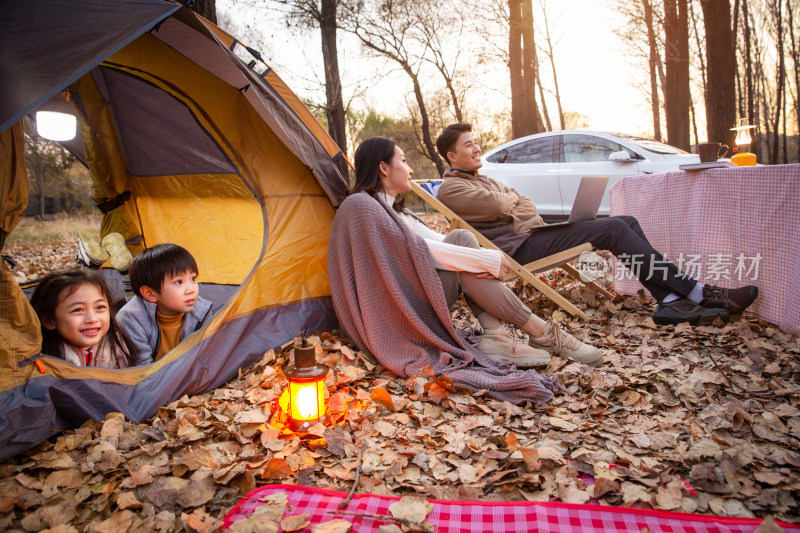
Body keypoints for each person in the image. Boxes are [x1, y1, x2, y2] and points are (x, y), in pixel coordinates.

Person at [434, 123, 759, 327]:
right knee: (614, 229)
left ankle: (671, 301)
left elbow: (524, 201)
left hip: (534, 234)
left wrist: (514, 201)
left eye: (475, 143)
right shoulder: (452, 188)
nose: (477, 149)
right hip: (519, 249)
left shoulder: (484, 179)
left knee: (625, 221)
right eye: (468, 145)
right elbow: (502, 203)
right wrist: (512, 201)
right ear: (451, 156)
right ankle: (699, 292)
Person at [335, 136, 603, 368]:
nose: (411, 168)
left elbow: (441, 242)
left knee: (462, 237)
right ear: (383, 167)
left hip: (419, 293)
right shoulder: (363, 206)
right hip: (402, 310)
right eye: (404, 161)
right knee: (466, 254)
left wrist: (479, 258)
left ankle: (498, 335)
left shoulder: (396, 210)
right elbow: (417, 250)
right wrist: (481, 259)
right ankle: (538, 332)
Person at [117, 243, 212, 366]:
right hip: (149, 379)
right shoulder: (131, 318)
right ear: (150, 293)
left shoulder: (201, 312)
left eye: (193, 279)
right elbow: (140, 370)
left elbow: (205, 357)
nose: (191, 290)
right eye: (179, 282)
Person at [30, 269, 133, 368]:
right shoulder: (40, 359)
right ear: (49, 320)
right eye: (78, 310)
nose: (92, 319)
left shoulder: (118, 346)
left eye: (99, 307)